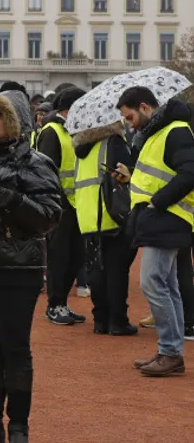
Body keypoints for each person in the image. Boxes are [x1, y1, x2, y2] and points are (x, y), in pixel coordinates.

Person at [0, 94, 63, 443]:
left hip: (18, 271)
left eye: (0, 115)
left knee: (15, 349)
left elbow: (50, 215)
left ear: (17, 119)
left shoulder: (36, 162)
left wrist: (13, 201)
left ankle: (18, 426)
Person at [117, 86, 194, 377]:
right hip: (162, 217)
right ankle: (170, 351)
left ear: (145, 107)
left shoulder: (175, 131)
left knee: (152, 282)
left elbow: (190, 172)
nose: (128, 122)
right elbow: (159, 175)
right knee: (167, 285)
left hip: (167, 217)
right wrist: (130, 177)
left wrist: (157, 202)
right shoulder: (157, 134)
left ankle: (171, 352)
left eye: (130, 116)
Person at [73, 121, 138, 335]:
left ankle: (100, 320)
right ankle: (118, 321)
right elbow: (127, 173)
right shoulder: (114, 142)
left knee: (96, 270)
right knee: (116, 270)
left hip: (88, 216)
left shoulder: (81, 148)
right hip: (111, 214)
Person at [32, 86, 88, 326]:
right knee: (59, 258)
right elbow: (45, 171)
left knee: (76, 257)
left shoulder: (73, 131)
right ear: (70, 109)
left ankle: (62, 303)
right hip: (59, 207)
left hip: (76, 205)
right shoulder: (52, 131)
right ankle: (55, 305)